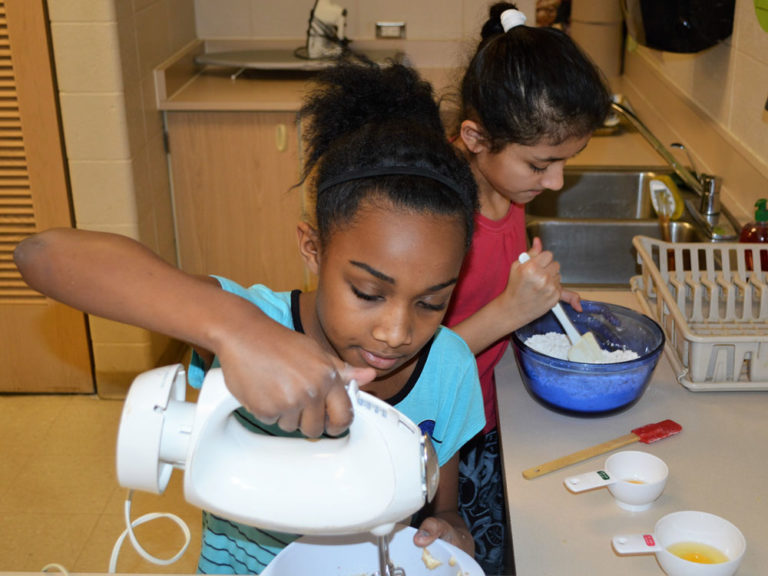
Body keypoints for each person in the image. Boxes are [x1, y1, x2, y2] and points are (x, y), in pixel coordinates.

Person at [14, 60, 485, 574]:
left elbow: (443, 503)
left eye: (431, 302)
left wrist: (452, 527)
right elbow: (42, 255)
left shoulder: (449, 367)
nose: (396, 333)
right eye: (368, 292)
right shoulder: (251, 324)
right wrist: (239, 330)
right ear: (313, 248)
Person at [443, 3, 613, 574]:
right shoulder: (441, 222)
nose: (556, 182)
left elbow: (493, 284)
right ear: (475, 138)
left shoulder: (507, 192)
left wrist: (538, 303)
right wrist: (507, 310)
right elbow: (404, 362)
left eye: (567, 161)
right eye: (542, 164)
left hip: (491, 417)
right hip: (444, 440)